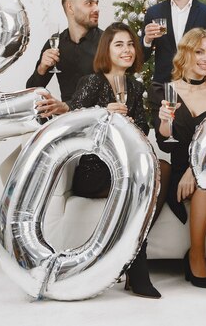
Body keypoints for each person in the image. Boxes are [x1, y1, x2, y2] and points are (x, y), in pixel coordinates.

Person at [36, 22, 163, 299]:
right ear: (107, 49)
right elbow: (75, 123)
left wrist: (130, 123)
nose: (127, 50)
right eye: (119, 44)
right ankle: (136, 270)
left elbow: (143, 131)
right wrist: (103, 113)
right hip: (95, 169)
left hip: (124, 167)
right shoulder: (92, 81)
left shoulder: (135, 85)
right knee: (136, 186)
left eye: (130, 44)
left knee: (160, 170)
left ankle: (127, 257)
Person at [152, 28, 206, 288]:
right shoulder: (166, 90)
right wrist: (165, 123)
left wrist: (196, 168)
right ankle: (198, 255)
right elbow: (164, 143)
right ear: (186, 53)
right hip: (182, 171)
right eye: (199, 51)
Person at [26, 0, 102, 102]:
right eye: (89, 3)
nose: (96, 9)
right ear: (70, 8)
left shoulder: (108, 42)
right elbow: (30, 92)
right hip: (68, 119)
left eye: (96, 3)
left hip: (100, 117)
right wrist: (42, 68)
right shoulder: (55, 44)